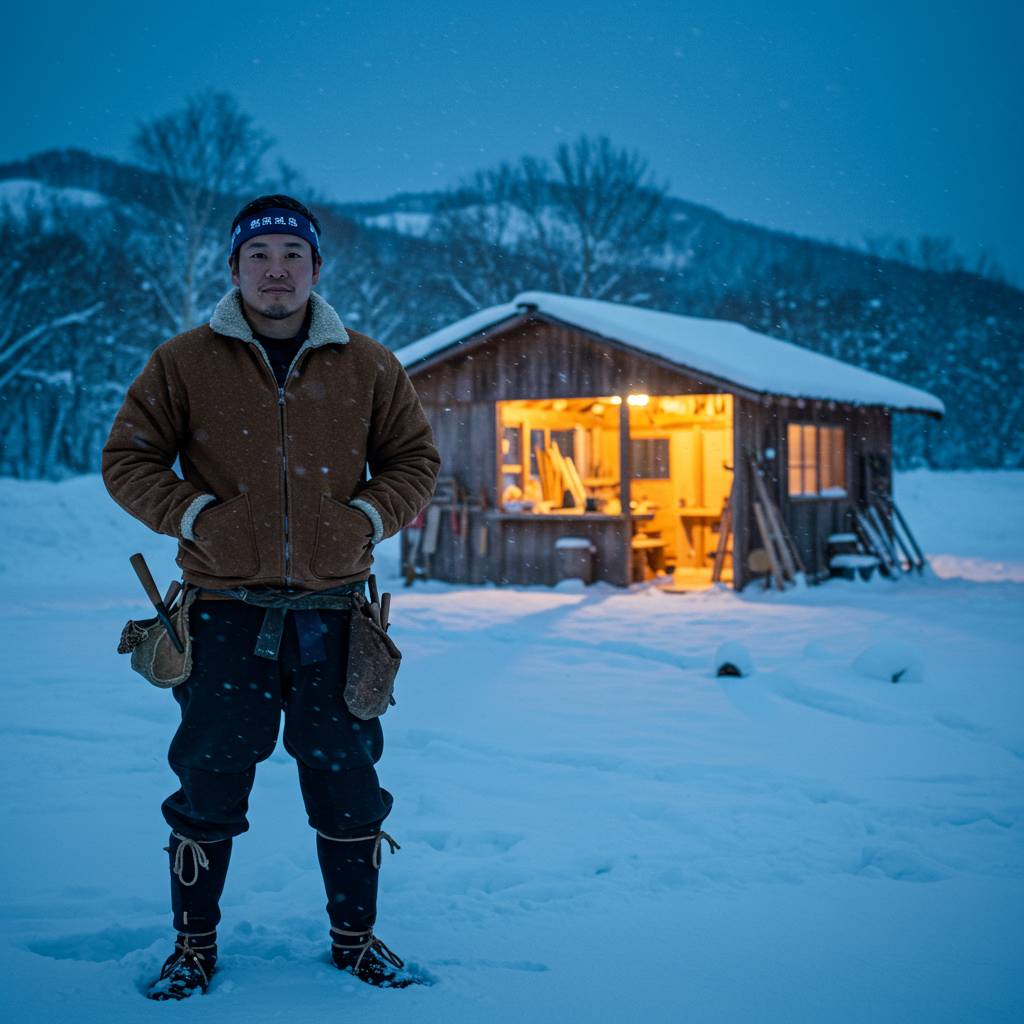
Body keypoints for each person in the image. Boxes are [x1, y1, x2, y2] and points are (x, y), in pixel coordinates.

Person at [101, 194, 441, 998]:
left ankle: (355, 940)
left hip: (336, 616)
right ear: (235, 268)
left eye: (293, 255)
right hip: (223, 614)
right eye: (260, 255)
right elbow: (128, 459)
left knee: (348, 782)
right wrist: (195, 515)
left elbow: (415, 462)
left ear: (317, 268)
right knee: (209, 777)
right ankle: (193, 946)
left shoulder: (368, 364)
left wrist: (366, 517)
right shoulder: (184, 362)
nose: (276, 270)